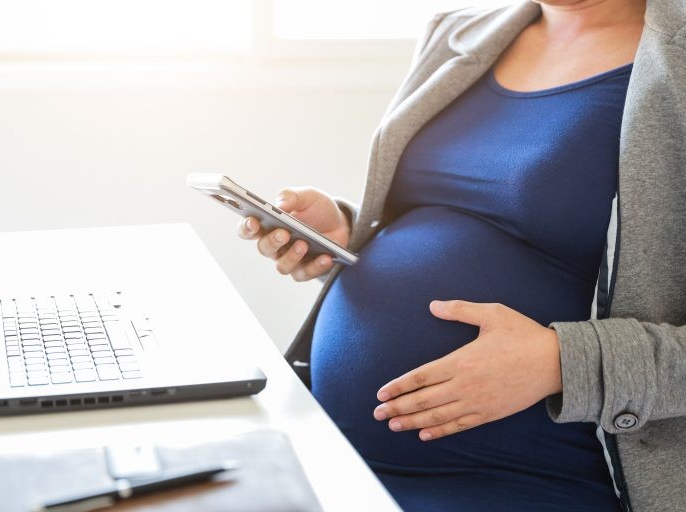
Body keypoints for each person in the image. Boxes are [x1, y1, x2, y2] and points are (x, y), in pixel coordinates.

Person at [238, 0, 685, 510]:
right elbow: (448, 217)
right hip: (333, 452)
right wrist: (344, 233)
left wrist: (564, 363)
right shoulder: (458, 32)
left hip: (525, 481)